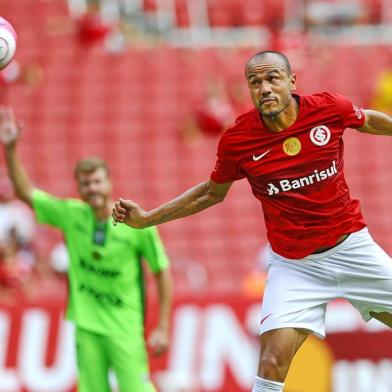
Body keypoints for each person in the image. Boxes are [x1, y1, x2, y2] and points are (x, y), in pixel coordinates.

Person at [112, 50, 392, 392]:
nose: (265, 88)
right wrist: (147, 219)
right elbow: (210, 194)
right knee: (271, 363)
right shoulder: (239, 140)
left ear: (291, 81)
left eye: (273, 78)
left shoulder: (329, 108)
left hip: (352, 248)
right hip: (295, 266)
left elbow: (366, 120)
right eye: (255, 82)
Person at [0, 106, 173, 392]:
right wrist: (10, 150)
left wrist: (163, 327)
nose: (91, 188)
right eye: (85, 183)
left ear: (109, 183)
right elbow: (26, 193)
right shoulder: (71, 214)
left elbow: (162, 272)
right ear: (78, 188)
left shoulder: (135, 221)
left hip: (125, 326)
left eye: (97, 181)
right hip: (86, 325)